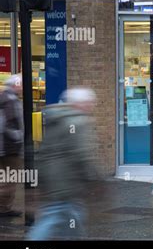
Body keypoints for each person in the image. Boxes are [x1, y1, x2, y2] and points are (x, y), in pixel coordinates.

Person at [28, 87, 97, 240]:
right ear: (80, 104)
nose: (91, 106)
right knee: (61, 218)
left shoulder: (56, 119)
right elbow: (82, 155)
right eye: (89, 103)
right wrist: (93, 178)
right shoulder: (78, 122)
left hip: (52, 179)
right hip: (68, 181)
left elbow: (43, 151)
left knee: (60, 217)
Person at [0, 74, 24, 217]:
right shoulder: (11, 100)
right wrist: (18, 137)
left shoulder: (3, 97)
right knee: (11, 178)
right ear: (15, 85)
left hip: (4, 147)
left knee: (5, 178)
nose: (21, 87)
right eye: (20, 84)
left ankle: (4, 207)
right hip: (10, 147)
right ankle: (4, 208)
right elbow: (9, 122)